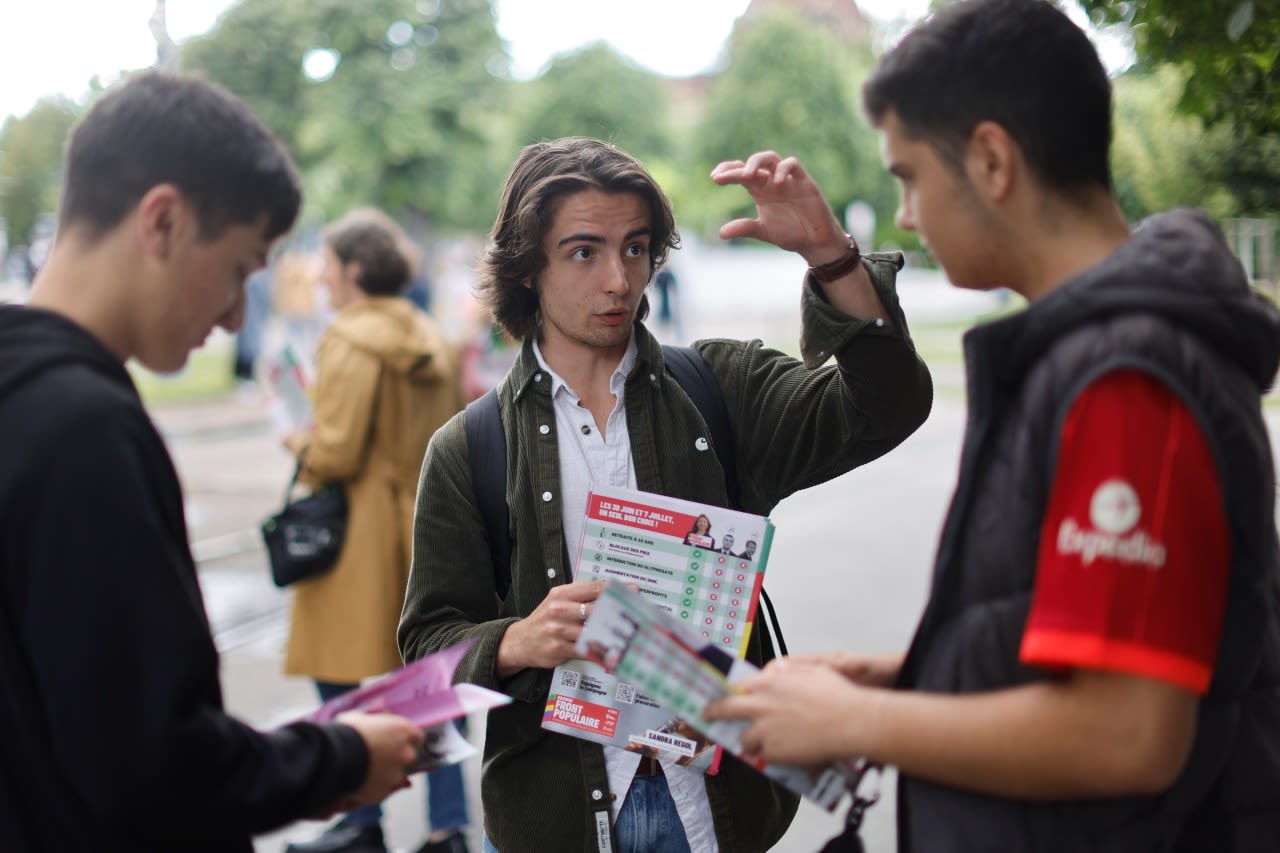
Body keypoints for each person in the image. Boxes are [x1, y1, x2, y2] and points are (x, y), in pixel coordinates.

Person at [703, 2, 1280, 851]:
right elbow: (1103, 643)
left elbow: (1129, 733)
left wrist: (862, 718)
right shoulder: (1086, 353)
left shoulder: (1126, 373)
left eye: (909, 177)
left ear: (991, 159)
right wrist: (912, 676)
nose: (904, 215)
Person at [397, 136, 932, 852]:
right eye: (584, 252)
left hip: (717, 806)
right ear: (528, 268)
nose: (620, 279)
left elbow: (889, 403)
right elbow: (426, 659)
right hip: (555, 820)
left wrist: (830, 256)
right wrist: (517, 640)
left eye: (637, 248)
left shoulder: (720, 386)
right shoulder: (471, 447)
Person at [0, 71, 424, 853]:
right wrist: (345, 755)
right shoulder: (84, 429)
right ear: (161, 220)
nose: (236, 315)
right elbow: (151, 764)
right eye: (238, 268)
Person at [281, 208, 469, 853]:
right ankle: (448, 828)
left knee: (337, 673)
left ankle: (361, 819)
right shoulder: (428, 334)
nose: (322, 276)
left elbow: (334, 451)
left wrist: (295, 440)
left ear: (355, 270)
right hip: (424, 521)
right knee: (427, 682)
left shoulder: (350, 339)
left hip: (357, 536)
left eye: (330, 264)